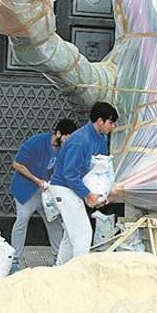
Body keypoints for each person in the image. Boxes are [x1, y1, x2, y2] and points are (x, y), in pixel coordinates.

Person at [50, 102, 119, 265]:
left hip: (74, 187)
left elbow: (101, 169)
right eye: (111, 122)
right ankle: (79, 274)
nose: (113, 126)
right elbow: (69, 173)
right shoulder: (80, 140)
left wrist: (103, 193)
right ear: (100, 121)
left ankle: (59, 272)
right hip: (63, 188)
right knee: (83, 233)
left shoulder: (101, 138)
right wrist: (88, 195)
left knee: (70, 235)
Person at [9, 119, 77, 272]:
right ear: (58, 133)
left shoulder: (63, 149)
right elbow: (17, 164)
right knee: (22, 220)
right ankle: (14, 260)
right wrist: (36, 180)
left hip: (45, 192)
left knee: (53, 221)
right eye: (67, 137)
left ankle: (59, 259)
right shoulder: (37, 142)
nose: (68, 142)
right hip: (26, 190)